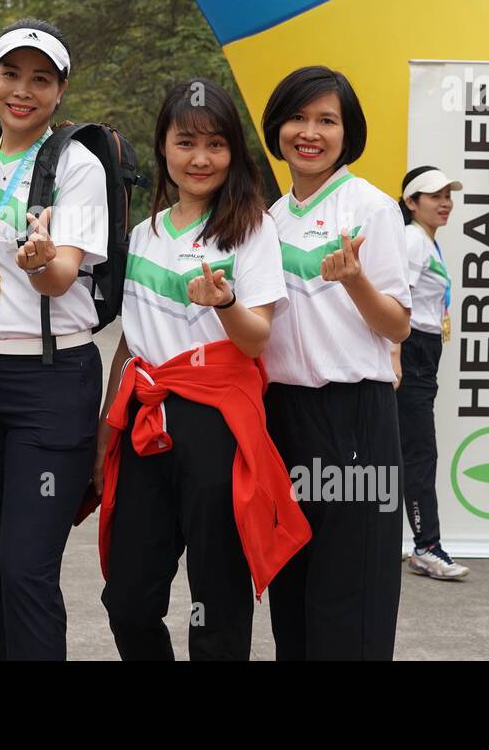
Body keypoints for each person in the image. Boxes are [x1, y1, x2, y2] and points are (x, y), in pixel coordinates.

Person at [94, 78, 309, 661]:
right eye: (186, 142)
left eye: (216, 144)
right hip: (146, 419)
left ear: (233, 152)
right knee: (129, 599)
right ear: (163, 146)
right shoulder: (141, 235)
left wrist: (225, 303)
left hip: (216, 422)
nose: (201, 158)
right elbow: (127, 345)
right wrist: (104, 437)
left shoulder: (251, 228)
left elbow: (257, 336)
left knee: (216, 596)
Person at [0, 18, 108, 661]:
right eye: (11, 74)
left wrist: (41, 261)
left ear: (60, 91)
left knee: (25, 569)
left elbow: (64, 272)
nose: (23, 91)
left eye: (41, 80)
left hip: (48, 378)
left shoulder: (77, 164)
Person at [260, 65, 411, 660]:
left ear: (349, 134)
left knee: (352, 587)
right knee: (293, 579)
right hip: (282, 417)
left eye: (328, 120)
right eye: (298, 117)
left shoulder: (371, 208)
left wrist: (355, 284)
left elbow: (398, 324)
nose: (310, 132)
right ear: (277, 127)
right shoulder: (267, 219)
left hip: (354, 417)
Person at [393, 165, 470, 580]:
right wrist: (394, 357)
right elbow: (396, 301)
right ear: (411, 202)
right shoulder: (412, 242)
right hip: (410, 352)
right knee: (419, 453)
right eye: (434, 196)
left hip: (423, 352)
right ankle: (426, 547)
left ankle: (418, 545)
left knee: (412, 451)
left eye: (448, 195)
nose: (445, 203)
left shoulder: (425, 242)